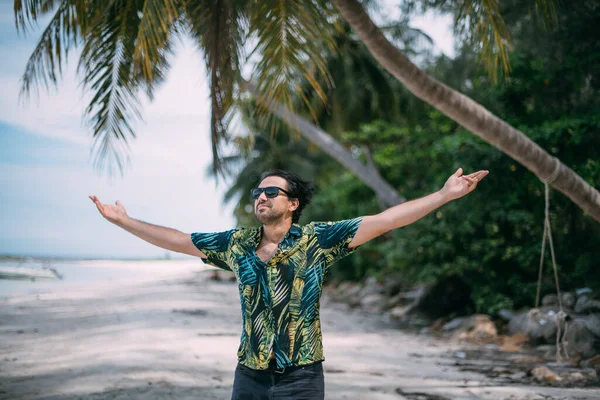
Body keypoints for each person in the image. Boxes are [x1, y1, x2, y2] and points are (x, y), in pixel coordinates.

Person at [89, 167, 488, 400]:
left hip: (302, 375)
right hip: (249, 373)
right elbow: (177, 240)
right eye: (257, 192)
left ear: (292, 203)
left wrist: (442, 195)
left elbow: (386, 220)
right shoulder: (237, 244)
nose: (260, 197)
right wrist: (124, 221)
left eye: (270, 191)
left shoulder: (318, 240)